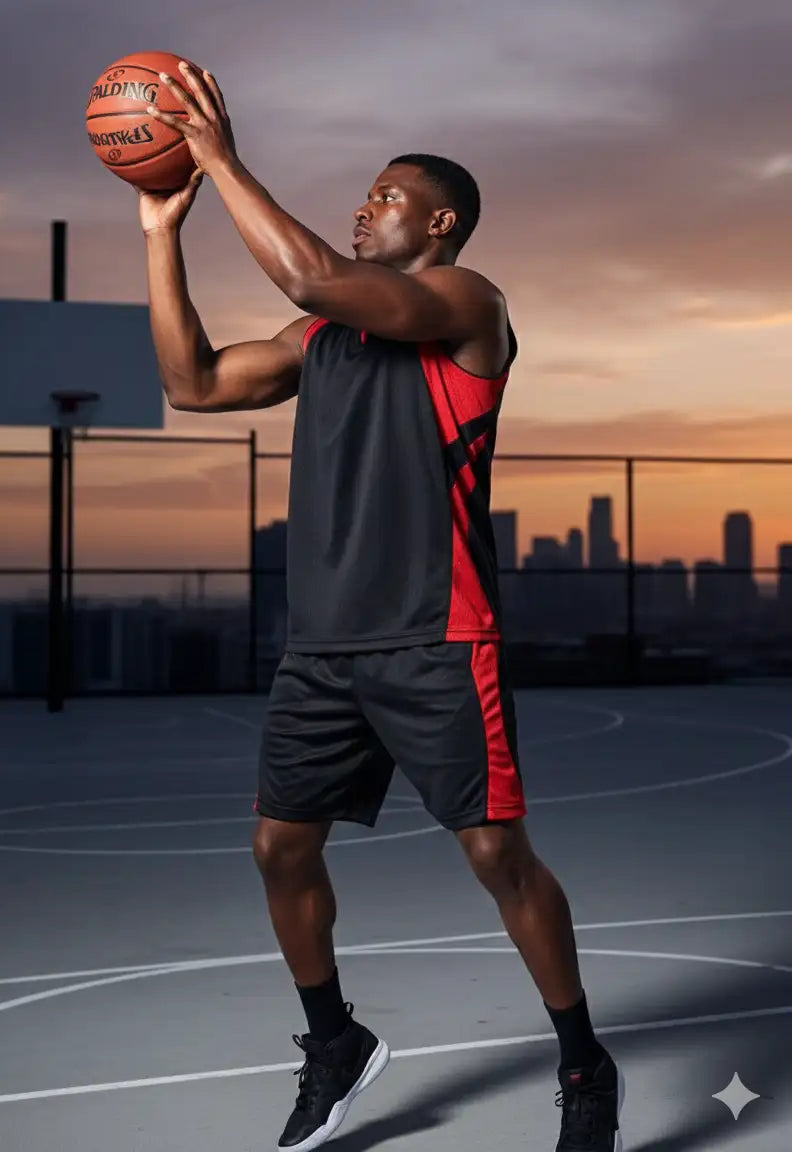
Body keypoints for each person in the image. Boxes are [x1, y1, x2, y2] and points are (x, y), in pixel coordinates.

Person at [138, 62, 625, 1152]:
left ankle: (584, 1065)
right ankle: (333, 1043)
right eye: (362, 196)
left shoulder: (466, 305)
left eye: (384, 197)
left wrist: (218, 157)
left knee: (498, 858)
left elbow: (310, 278)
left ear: (438, 223)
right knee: (278, 848)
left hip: (436, 638)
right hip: (323, 647)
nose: (364, 207)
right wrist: (160, 230)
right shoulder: (323, 347)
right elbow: (194, 383)